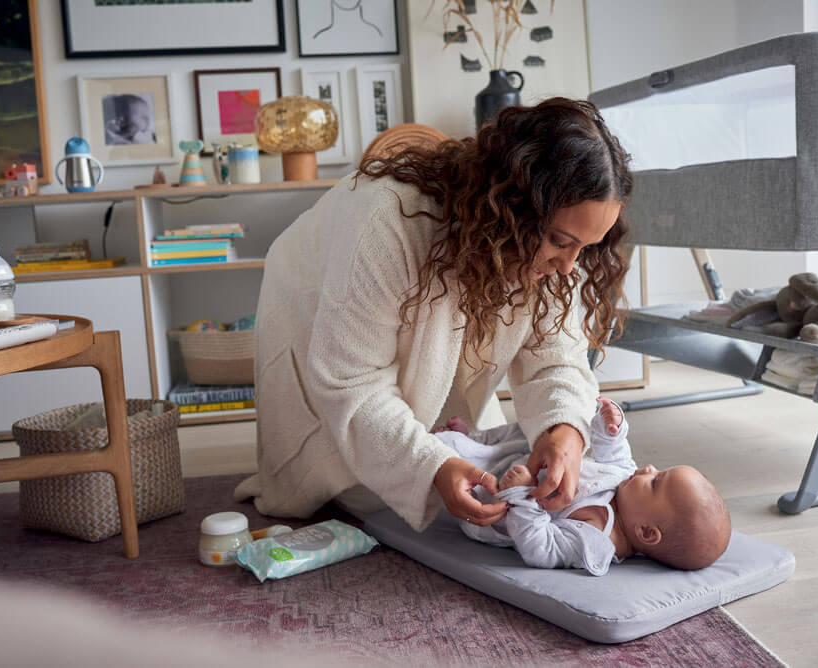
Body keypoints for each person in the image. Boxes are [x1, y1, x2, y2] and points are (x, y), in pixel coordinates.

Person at [234, 98, 633, 532]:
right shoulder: (385, 224)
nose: (570, 267)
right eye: (559, 241)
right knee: (368, 497)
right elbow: (351, 380)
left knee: (486, 466)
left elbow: (556, 357)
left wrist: (565, 431)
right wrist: (431, 465)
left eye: (586, 247)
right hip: (312, 310)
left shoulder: (557, 252)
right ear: (516, 209)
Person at [438, 398, 732, 573]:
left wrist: (522, 494)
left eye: (656, 481)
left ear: (646, 532)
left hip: (493, 502)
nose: (649, 468)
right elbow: (614, 453)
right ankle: (475, 438)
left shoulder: (597, 540)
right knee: (526, 431)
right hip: (527, 458)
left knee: (448, 452)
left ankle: (459, 445)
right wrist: (612, 427)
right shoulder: (627, 482)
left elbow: (541, 548)